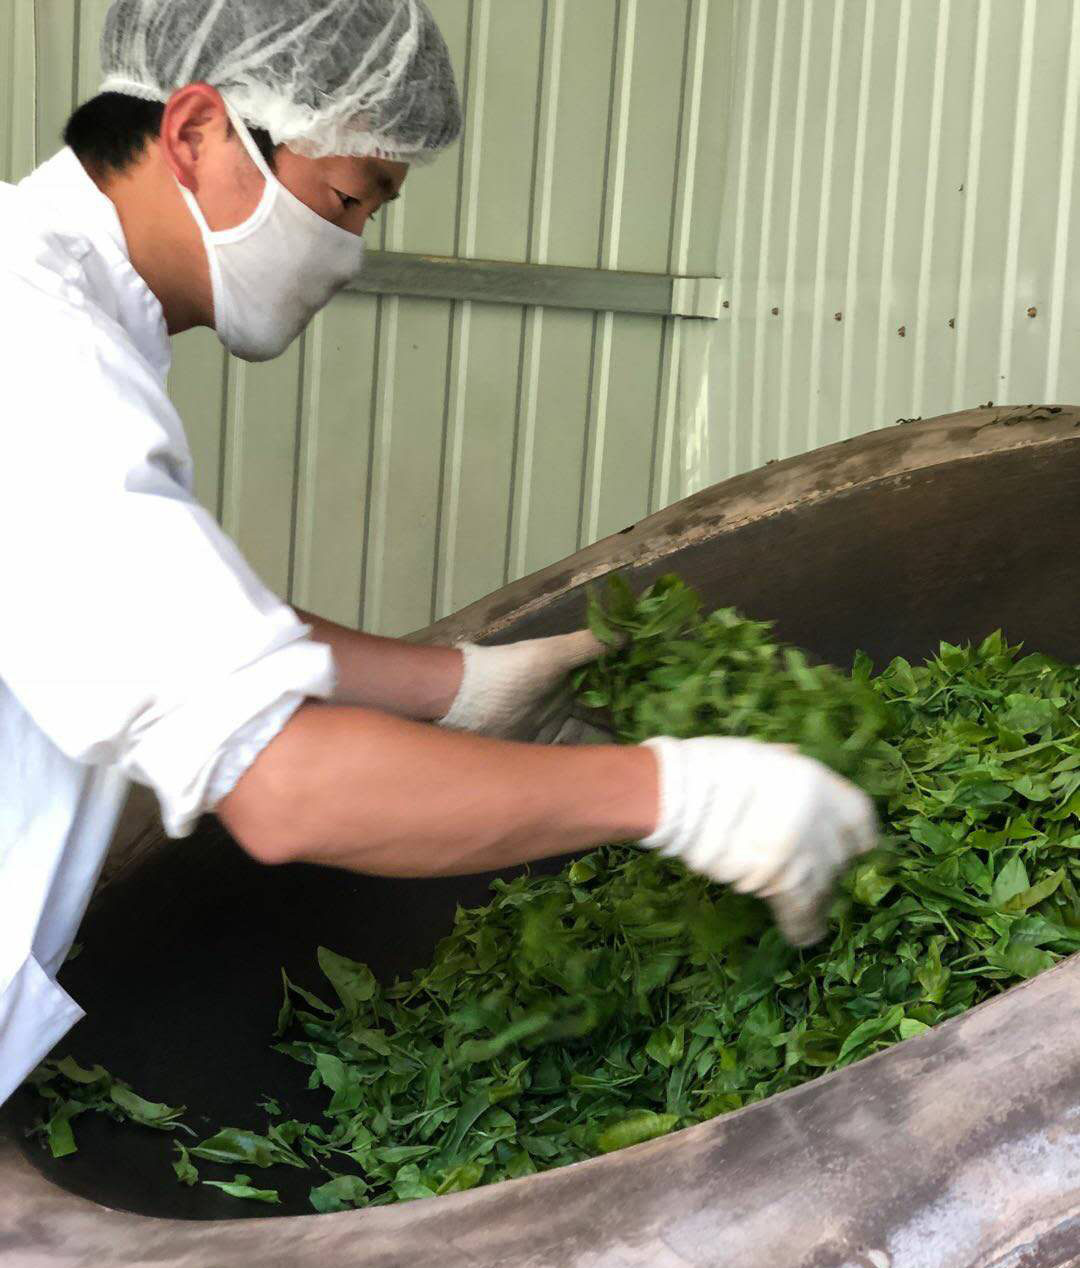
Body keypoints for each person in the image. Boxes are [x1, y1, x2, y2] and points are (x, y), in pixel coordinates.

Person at [0, 0, 876, 1107]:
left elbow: (142, 616)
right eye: (347, 197)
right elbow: (287, 790)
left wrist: (456, 687)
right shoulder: (43, 362)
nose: (350, 251)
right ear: (195, 132)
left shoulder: (49, 305)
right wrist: (682, 794)